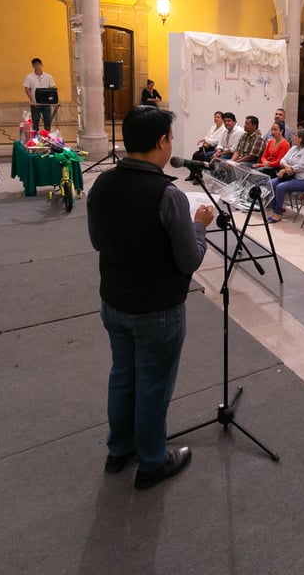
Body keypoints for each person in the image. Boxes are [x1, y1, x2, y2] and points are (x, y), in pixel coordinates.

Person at [87, 106, 215, 489]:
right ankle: (153, 462)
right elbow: (189, 260)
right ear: (162, 142)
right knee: (153, 385)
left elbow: (98, 241)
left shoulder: (102, 184)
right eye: (171, 139)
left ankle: (119, 449)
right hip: (157, 308)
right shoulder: (168, 194)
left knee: (123, 376)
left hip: (114, 300)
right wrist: (199, 226)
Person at [266, 128, 304, 223]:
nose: (294, 137)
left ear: (301, 138)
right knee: (270, 183)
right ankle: (276, 209)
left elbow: (301, 167)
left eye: (296, 135)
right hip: (290, 176)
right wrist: (286, 167)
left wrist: (285, 170)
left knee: (280, 187)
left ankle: (278, 213)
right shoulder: (294, 148)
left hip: (303, 180)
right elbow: (283, 160)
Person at [188, 110, 226, 182]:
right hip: (206, 147)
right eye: (215, 117)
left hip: (214, 148)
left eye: (218, 117)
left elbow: (217, 141)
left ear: (222, 119)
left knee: (200, 156)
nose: (216, 119)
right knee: (195, 155)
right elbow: (207, 137)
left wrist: (207, 141)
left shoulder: (223, 129)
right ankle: (192, 175)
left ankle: (198, 177)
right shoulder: (213, 127)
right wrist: (205, 141)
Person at [23, 58, 56, 132]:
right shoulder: (29, 77)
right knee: (35, 123)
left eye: (38, 64)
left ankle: (47, 135)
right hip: (35, 103)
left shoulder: (48, 76)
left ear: (42, 65)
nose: (37, 66)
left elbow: (52, 88)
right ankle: (36, 136)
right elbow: (27, 89)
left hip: (46, 103)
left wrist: (51, 99)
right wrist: (32, 100)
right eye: (35, 64)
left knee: (47, 121)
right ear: (33, 66)